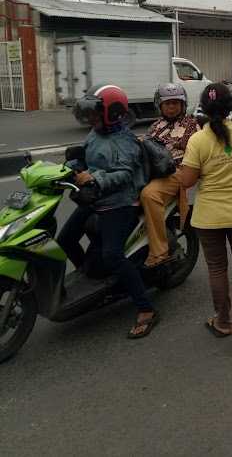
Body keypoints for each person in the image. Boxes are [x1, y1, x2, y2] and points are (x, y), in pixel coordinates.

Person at [58, 84, 159, 338]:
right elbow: (87, 159)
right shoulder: (96, 133)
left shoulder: (126, 142)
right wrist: (70, 166)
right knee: (64, 240)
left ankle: (146, 309)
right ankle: (94, 280)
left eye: (95, 113)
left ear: (112, 113)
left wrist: (95, 178)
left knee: (113, 255)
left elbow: (124, 175)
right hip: (95, 198)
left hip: (120, 202)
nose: (90, 118)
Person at [180, 83, 232, 348]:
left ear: (203, 108)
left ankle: (223, 321)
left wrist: (177, 172)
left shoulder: (197, 140)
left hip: (209, 216)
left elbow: (188, 181)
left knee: (217, 268)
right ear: (230, 107)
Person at [140, 84, 198, 267]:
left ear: (183, 104)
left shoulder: (192, 124)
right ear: (160, 105)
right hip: (152, 171)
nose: (171, 107)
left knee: (149, 195)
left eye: (175, 103)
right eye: (167, 103)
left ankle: (159, 252)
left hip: (177, 172)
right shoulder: (156, 125)